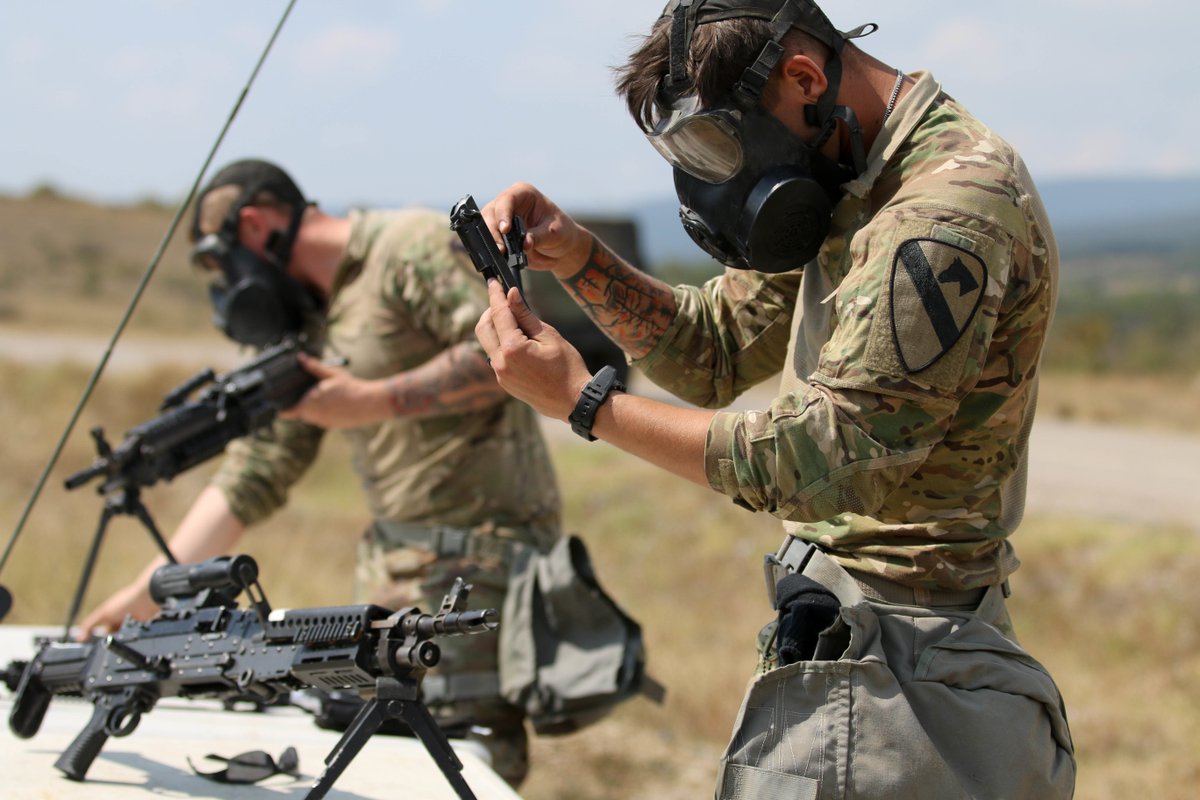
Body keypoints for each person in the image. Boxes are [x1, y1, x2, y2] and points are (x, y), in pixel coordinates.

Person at [474, 1, 1075, 797]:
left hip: (909, 672)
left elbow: (831, 459)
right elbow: (713, 351)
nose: (718, 180)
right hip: (847, 640)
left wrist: (586, 405)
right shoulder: (848, 173)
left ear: (804, 79)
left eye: (720, 145)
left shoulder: (944, 209)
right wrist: (579, 258)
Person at [79, 158, 563, 787]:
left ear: (254, 227)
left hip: (476, 573)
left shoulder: (407, 249)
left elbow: (510, 352)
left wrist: (371, 400)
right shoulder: (310, 325)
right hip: (393, 577)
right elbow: (256, 472)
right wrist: (142, 597)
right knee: (390, 774)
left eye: (223, 264)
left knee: (459, 769)